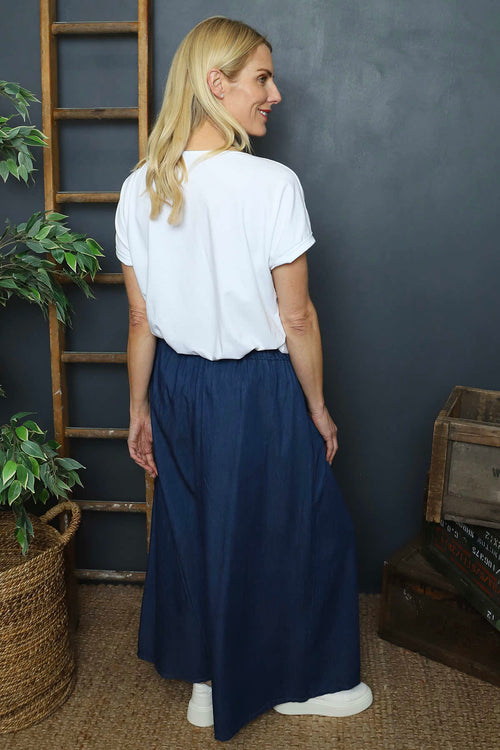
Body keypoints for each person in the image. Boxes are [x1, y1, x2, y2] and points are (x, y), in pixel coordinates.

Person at [115, 15, 373, 743]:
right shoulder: (272, 184)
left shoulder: (139, 187)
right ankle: (310, 683)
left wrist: (139, 408)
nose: (275, 94)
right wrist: (316, 406)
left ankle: (208, 682)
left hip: (175, 387)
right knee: (300, 530)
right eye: (262, 78)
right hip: (255, 389)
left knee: (200, 528)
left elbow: (140, 320)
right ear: (215, 83)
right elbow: (297, 318)